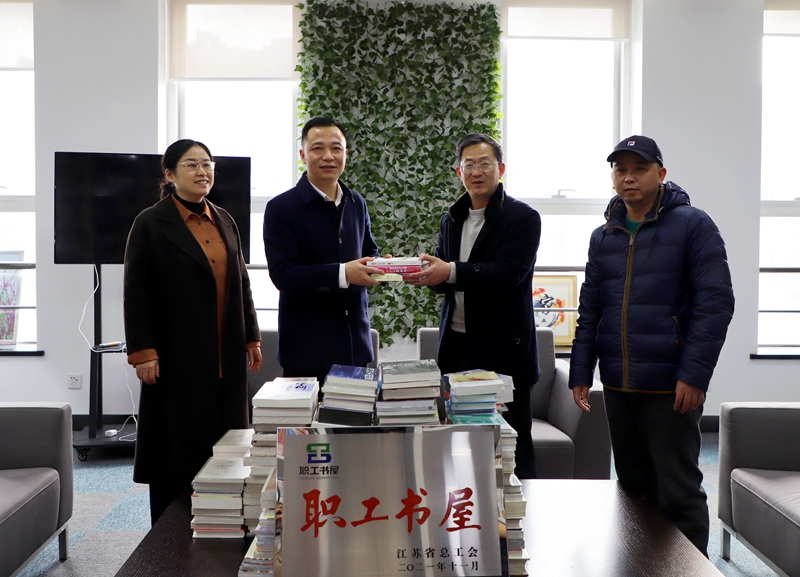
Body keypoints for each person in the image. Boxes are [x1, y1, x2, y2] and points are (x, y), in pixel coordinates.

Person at [568, 135, 734, 554]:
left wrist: (694, 375)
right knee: (633, 490)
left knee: (678, 491)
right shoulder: (603, 235)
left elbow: (715, 304)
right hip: (618, 384)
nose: (629, 177)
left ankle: (691, 569)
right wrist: (581, 371)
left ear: (660, 174)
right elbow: (591, 308)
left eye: (639, 169)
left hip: (671, 385)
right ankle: (641, 565)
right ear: (612, 177)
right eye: (620, 169)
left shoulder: (692, 224)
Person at [123, 139, 263, 524]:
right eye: (191, 165)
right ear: (169, 174)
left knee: (228, 449)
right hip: (176, 356)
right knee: (176, 453)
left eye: (207, 164)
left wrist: (251, 336)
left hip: (226, 357)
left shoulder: (225, 219)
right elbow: (137, 293)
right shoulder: (150, 223)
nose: (202, 172)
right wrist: (143, 352)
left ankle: (226, 526)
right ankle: (167, 539)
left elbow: (241, 283)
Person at [407, 133, 542, 479]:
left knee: (511, 444)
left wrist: (449, 271)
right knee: (457, 441)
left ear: (501, 169)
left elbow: (507, 274)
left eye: (485, 164)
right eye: (469, 165)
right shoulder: (451, 218)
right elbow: (447, 281)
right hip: (457, 348)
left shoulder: (523, 217)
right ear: (459, 172)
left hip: (504, 351)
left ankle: (519, 507)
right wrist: (426, 275)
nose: (477, 172)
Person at [263, 117, 383, 383]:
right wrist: (343, 273)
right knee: (307, 414)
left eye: (336, 148)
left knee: (357, 412)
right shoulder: (281, 208)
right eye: (318, 148)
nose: (328, 156)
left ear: (346, 153)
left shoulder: (356, 202)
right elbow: (283, 275)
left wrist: (384, 267)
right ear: (303, 155)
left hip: (355, 346)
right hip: (306, 351)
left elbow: (369, 251)